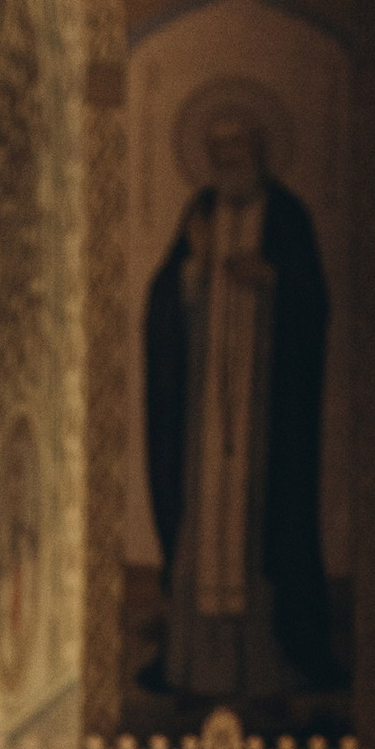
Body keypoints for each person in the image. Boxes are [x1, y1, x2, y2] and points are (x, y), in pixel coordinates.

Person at [143, 102, 337, 702]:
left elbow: (314, 297)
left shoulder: (286, 216)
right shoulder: (199, 214)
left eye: (239, 155)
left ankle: (276, 662)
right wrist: (194, 273)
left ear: (258, 156)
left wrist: (273, 279)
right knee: (205, 527)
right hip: (205, 405)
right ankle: (191, 668)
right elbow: (163, 304)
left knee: (265, 526)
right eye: (219, 157)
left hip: (264, 409)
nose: (229, 166)